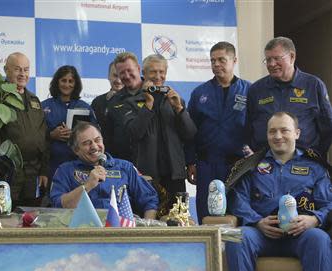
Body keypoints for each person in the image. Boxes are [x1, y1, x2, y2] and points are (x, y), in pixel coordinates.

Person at [226, 111, 332, 271]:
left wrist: (314, 219)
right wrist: (257, 221)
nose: (277, 136)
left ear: (297, 133)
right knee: (237, 237)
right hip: (261, 234)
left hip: (301, 235)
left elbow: (328, 203)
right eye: (272, 131)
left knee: (320, 239)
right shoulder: (251, 164)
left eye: (284, 130)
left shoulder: (315, 166)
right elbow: (238, 200)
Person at [185, 42, 251, 223]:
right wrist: (190, 161)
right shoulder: (200, 93)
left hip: (238, 165)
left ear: (234, 60)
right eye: (213, 60)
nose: (216, 64)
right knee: (208, 215)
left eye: (222, 60)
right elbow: (190, 131)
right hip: (207, 165)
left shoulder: (249, 91)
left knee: (238, 213)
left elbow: (257, 128)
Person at [122, 54, 197, 210]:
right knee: (148, 223)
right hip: (146, 176)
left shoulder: (176, 100)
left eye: (161, 72)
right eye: (153, 72)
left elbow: (190, 134)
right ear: (144, 72)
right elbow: (134, 134)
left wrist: (179, 110)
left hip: (174, 175)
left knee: (178, 222)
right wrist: (147, 105)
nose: (158, 76)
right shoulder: (131, 102)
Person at [50, 122, 158, 219]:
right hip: (83, 232)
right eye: (87, 143)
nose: (94, 146)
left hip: (121, 231)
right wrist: (88, 185)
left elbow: (149, 200)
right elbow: (59, 206)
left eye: (97, 140)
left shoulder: (125, 167)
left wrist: (146, 229)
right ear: (76, 150)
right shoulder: (65, 170)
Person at [246, 36, 332, 157]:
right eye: (268, 59)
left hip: (305, 162)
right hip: (266, 163)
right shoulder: (256, 89)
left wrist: (315, 155)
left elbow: (327, 127)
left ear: (292, 57)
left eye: (276, 58)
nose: (271, 64)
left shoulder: (313, 85)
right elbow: (249, 128)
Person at [0, 52, 49, 207]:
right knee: (8, 216)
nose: (22, 74)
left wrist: (44, 170)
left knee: (32, 216)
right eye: (18, 69)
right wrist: (0, 172)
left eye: (26, 70)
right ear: (6, 70)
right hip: (9, 174)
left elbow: (44, 138)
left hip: (33, 174)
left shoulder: (34, 101)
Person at [42, 65, 97, 180]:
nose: (67, 85)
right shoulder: (44, 106)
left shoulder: (85, 107)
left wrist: (77, 136)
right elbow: (35, 136)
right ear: (57, 82)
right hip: (52, 166)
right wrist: (52, 135)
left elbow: (96, 134)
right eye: (63, 80)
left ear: (76, 84)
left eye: (71, 81)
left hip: (79, 166)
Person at [104, 52, 142, 161]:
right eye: (122, 72)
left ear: (138, 69)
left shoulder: (154, 94)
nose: (126, 75)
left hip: (155, 167)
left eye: (129, 70)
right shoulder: (113, 101)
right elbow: (109, 137)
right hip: (125, 166)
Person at [90, 61, 123, 135]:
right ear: (108, 76)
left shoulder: (135, 101)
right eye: (115, 75)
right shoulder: (97, 102)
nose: (118, 80)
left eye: (121, 76)